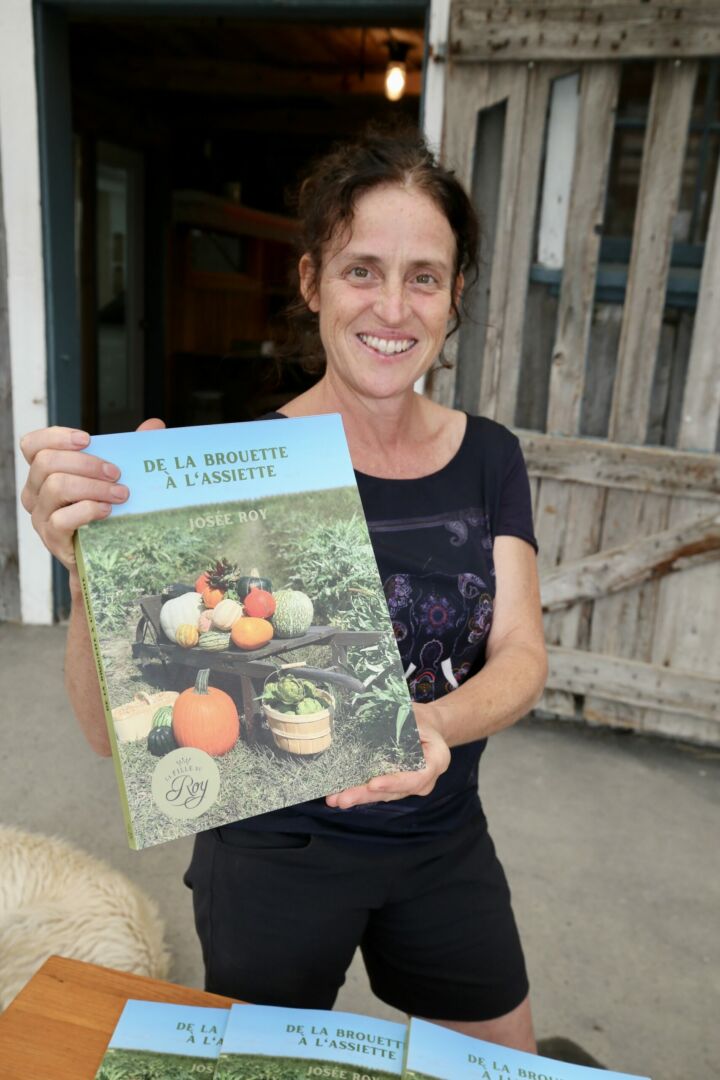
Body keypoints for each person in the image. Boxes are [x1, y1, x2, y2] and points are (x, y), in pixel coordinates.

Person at [19, 128, 547, 1051]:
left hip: (442, 833)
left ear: (456, 295)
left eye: (424, 276)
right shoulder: (221, 474)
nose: (393, 305)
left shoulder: (491, 456)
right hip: (272, 847)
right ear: (311, 283)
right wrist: (84, 570)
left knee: (506, 1064)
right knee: (262, 1067)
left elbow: (523, 654)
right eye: (361, 270)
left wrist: (436, 728)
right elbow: (113, 732)